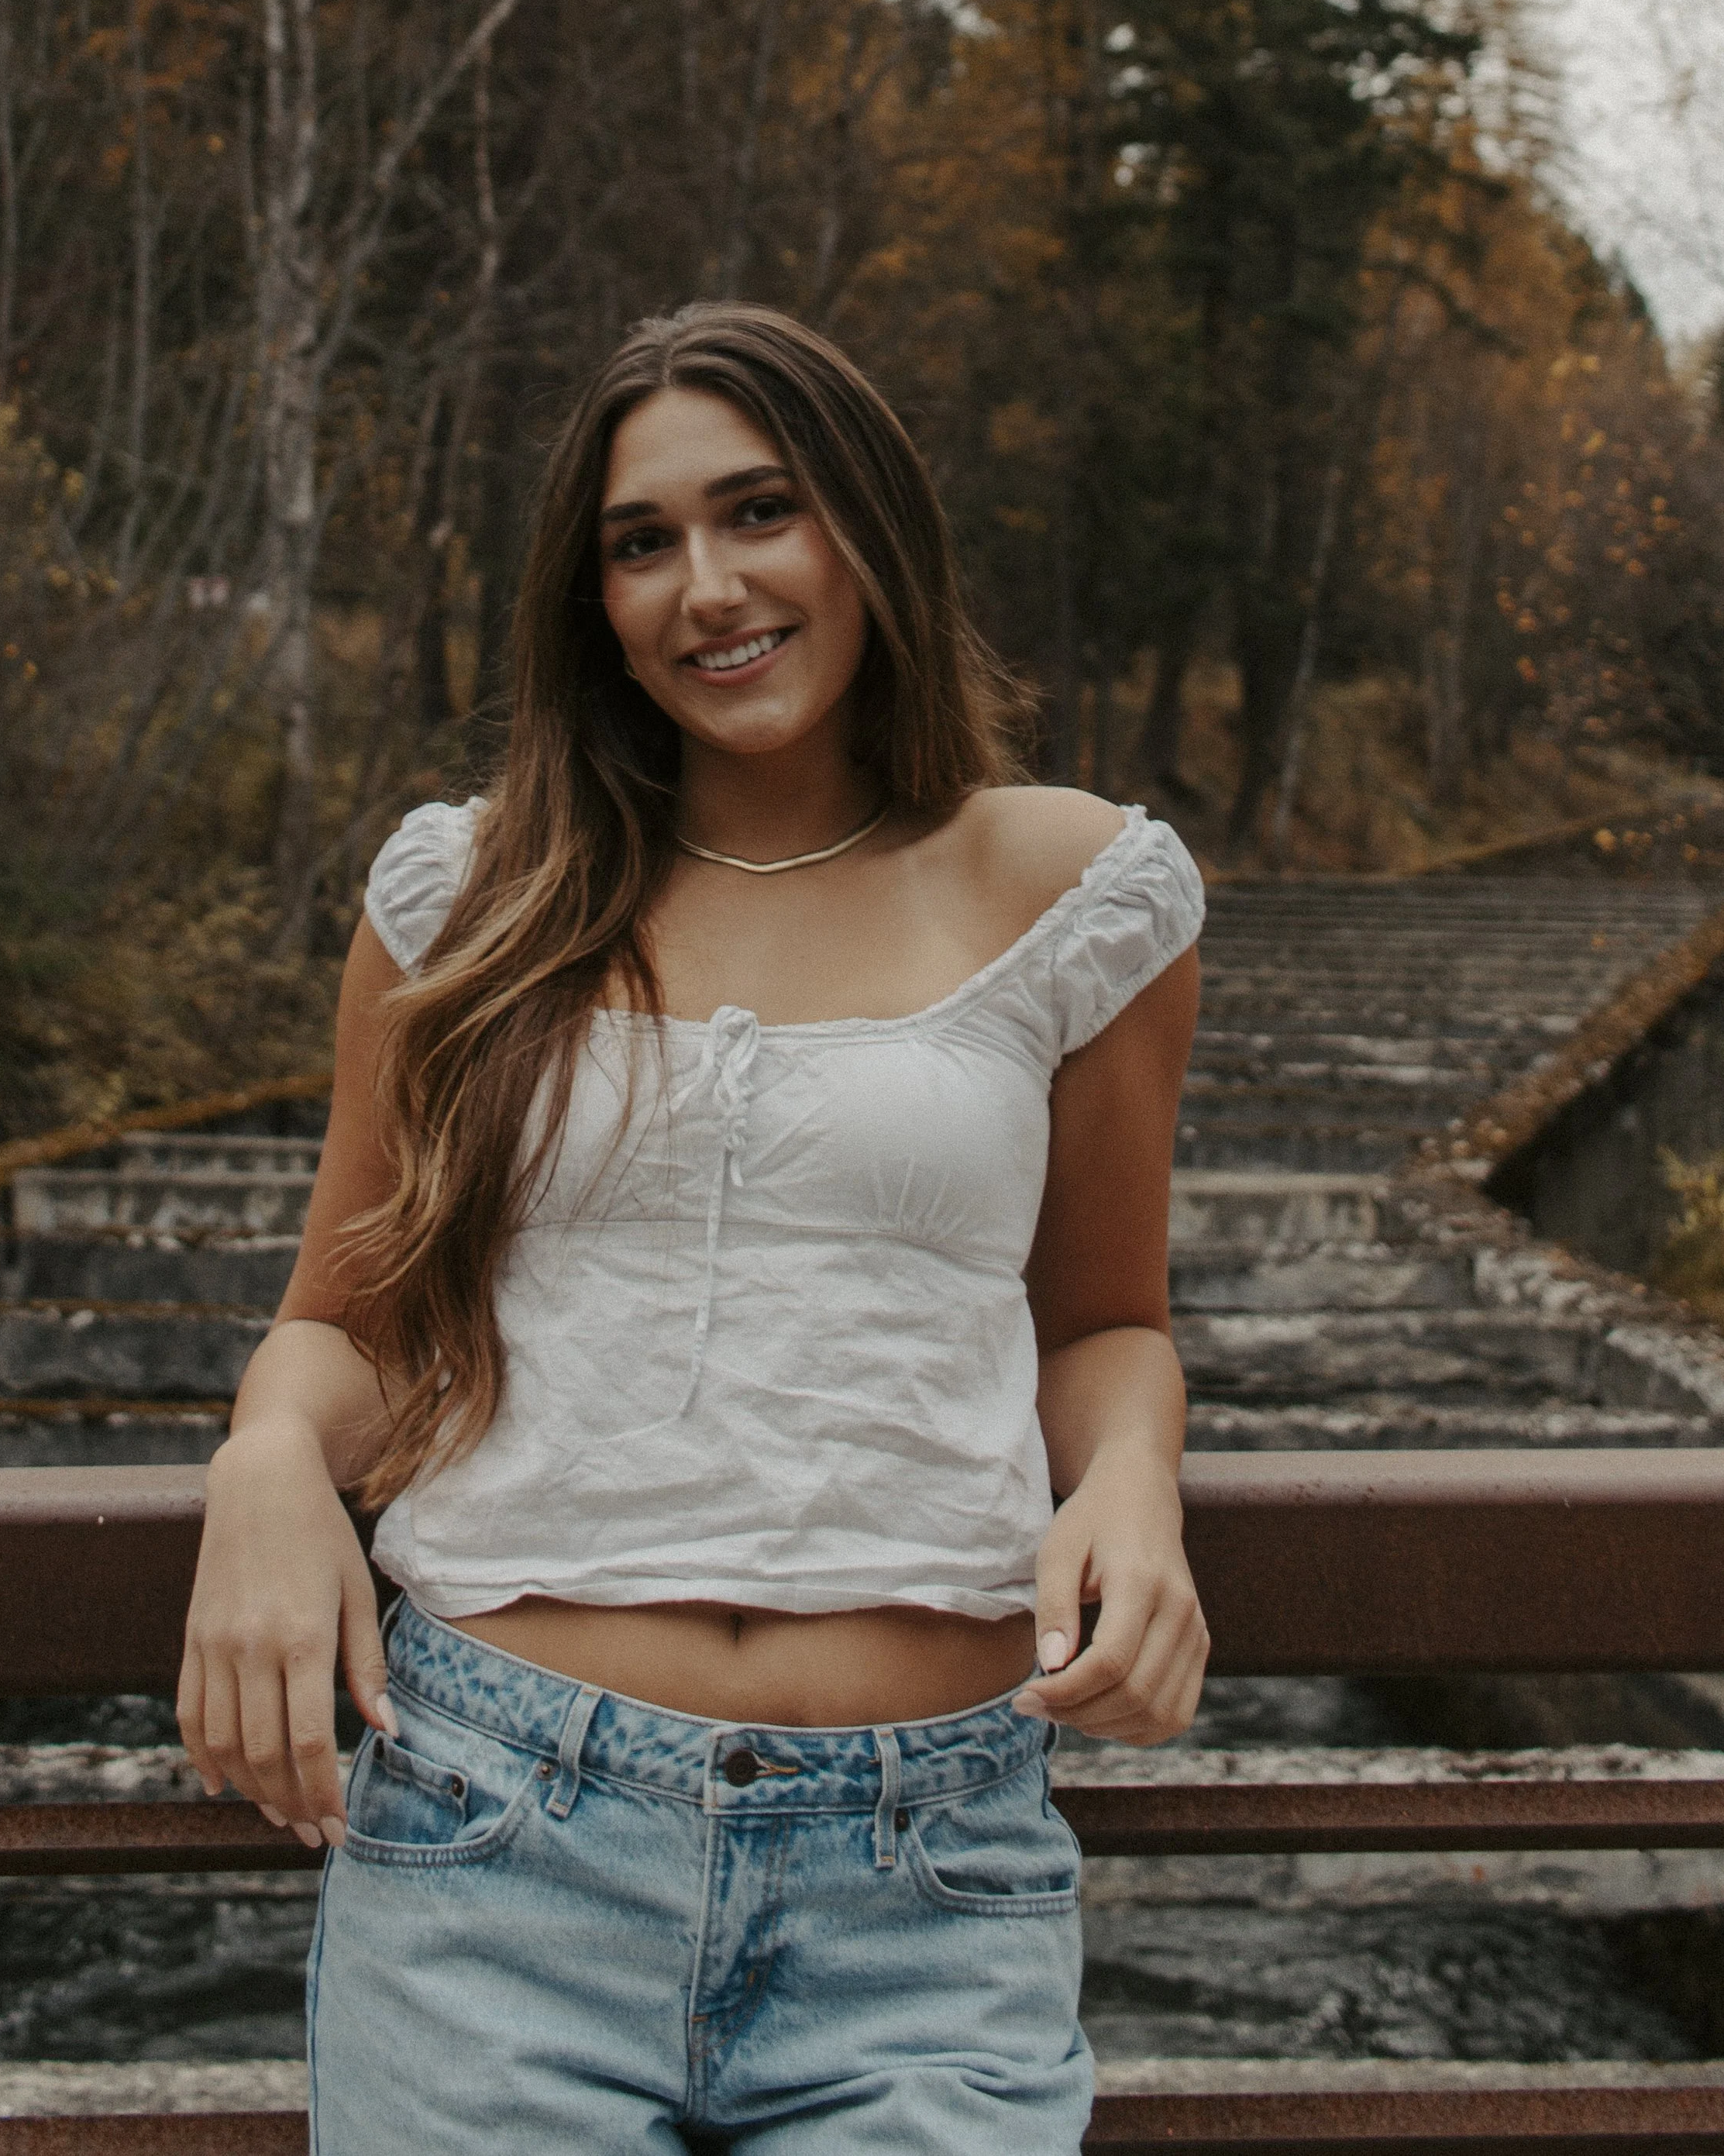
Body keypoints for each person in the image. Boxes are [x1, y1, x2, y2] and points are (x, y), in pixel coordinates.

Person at [178, 301, 1208, 2152]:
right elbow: (358, 1314)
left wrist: (1126, 1487)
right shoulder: (467, 894)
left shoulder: (1073, 891)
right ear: (594, 606)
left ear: (868, 529)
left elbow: (1100, 1322)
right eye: (639, 544)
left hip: (928, 1874)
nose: (705, 586)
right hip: (496, 1836)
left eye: (759, 513)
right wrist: (266, 1457)